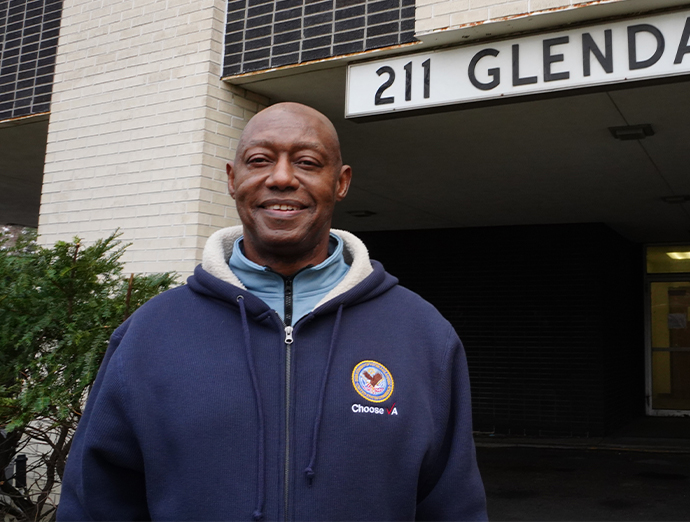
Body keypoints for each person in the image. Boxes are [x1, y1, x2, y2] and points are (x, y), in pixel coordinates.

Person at [58, 102, 488, 521]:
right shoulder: (150, 333)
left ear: (340, 182)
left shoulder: (422, 334)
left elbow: (453, 505)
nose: (281, 178)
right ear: (232, 178)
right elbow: (96, 503)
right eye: (260, 160)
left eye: (306, 162)